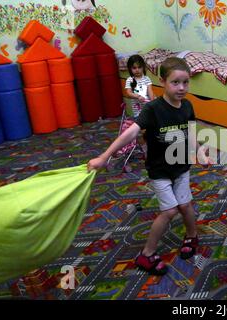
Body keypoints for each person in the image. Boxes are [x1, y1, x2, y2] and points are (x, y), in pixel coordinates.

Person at [87, 57, 208, 276]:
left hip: (181, 167)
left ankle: (192, 235)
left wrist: (199, 151)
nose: (182, 88)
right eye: (175, 82)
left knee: (186, 205)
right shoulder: (153, 109)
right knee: (170, 210)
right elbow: (131, 133)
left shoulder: (187, 106)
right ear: (162, 81)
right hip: (159, 170)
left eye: (186, 82)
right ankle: (147, 254)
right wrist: (105, 156)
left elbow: (191, 131)